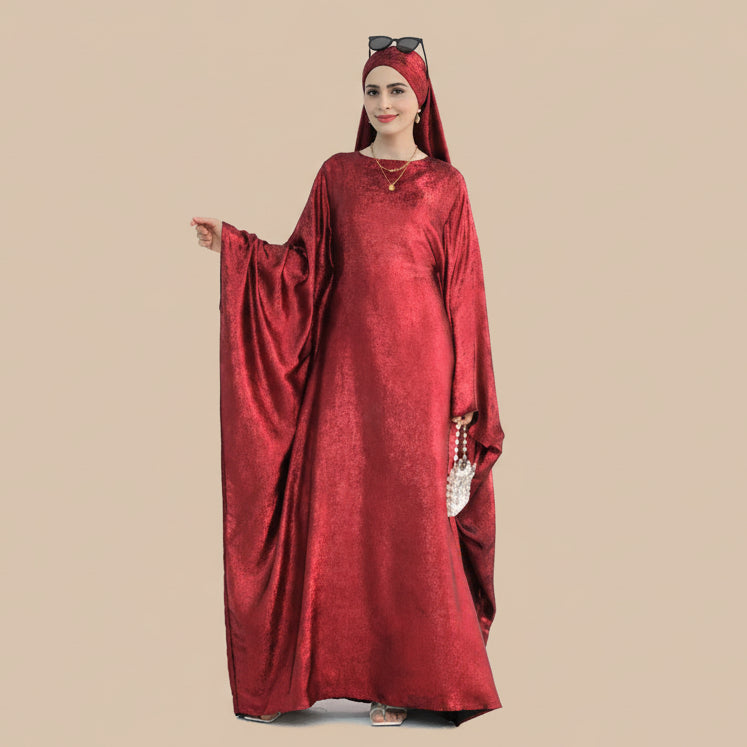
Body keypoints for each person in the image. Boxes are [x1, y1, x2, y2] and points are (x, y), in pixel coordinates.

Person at [190, 37, 506, 727]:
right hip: (345, 372)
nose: (383, 103)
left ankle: (400, 679)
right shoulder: (336, 174)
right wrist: (236, 248)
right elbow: (302, 266)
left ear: (420, 100)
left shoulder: (446, 185)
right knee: (341, 511)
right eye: (372, 91)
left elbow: (464, 292)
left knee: (409, 517)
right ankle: (325, 676)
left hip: (423, 372)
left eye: (397, 90)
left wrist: (464, 395)